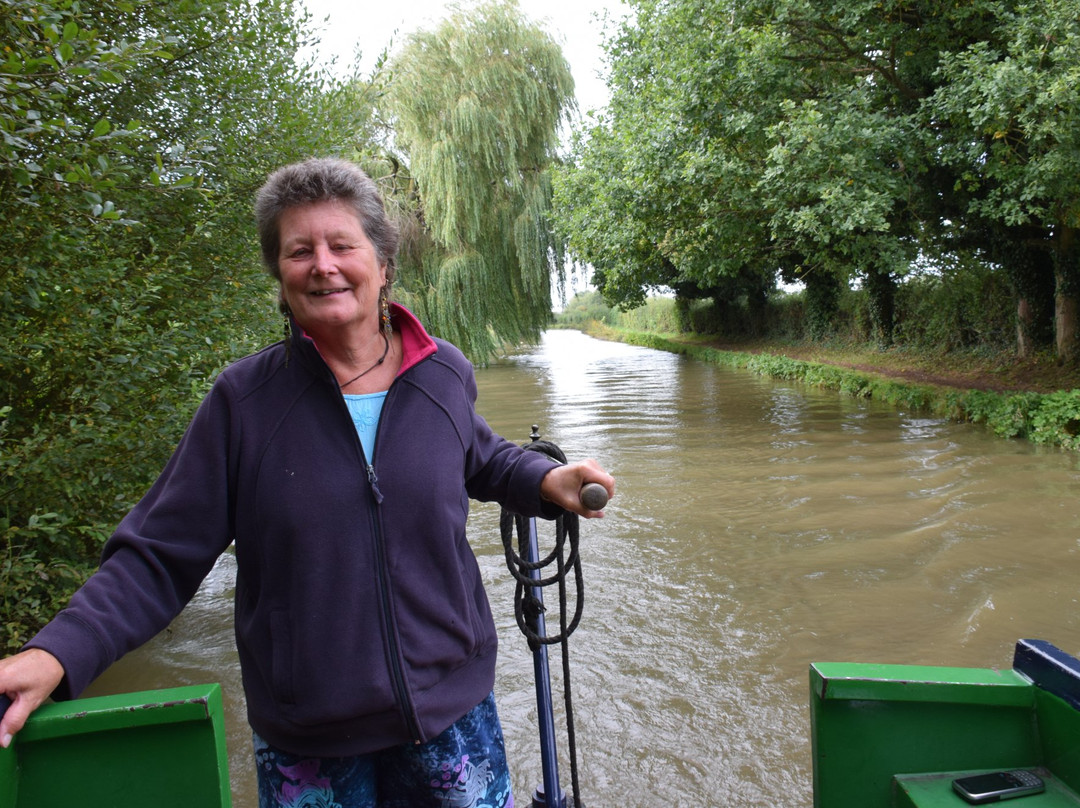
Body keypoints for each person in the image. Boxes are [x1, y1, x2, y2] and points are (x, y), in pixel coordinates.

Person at [0, 157, 614, 807]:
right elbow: (157, 557)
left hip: (452, 717)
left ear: (382, 265)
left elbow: (480, 455)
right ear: (280, 276)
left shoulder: (444, 376)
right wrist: (56, 655)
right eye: (300, 251)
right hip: (310, 740)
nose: (322, 264)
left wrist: (546, 478)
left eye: (341, 245)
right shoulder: (244, 402)